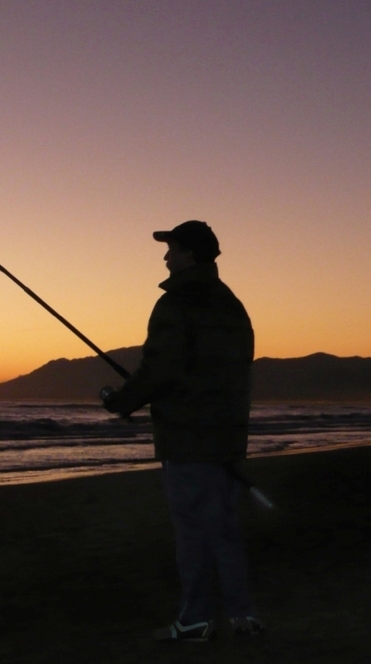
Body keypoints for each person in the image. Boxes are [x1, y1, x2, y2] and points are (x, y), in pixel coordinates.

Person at [101, 220, 264, 642]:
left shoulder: (176, 303)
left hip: (189, 438)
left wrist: (121, 401)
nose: (165, 256)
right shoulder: (232, 304)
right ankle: (242, 614)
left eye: (171, 248)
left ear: (189, 254)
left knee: (193, 532)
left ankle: (194, 620)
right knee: (225, 528)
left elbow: (160, 367)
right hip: (227, 436)